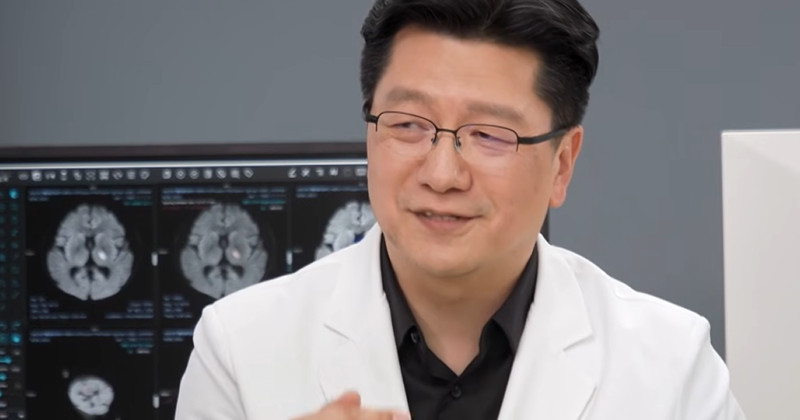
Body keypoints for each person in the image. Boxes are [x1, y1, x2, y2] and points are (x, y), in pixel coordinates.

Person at [175, 0, 746, 418]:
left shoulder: (671, 368)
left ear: (562, 163)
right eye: (407, 125)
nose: (442, 174)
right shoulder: (240, 351)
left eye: (490, 134)